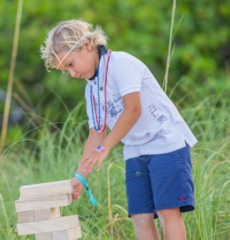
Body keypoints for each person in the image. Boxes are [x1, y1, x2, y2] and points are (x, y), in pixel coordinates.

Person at [40, 19, 197, 240]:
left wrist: (104, 148)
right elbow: (96, 134)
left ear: (86, 45)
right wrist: (80, 177)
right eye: (65, 70)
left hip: (166, 143)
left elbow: (133, 110)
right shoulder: (91, 90)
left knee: (166, 210)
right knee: (140, 216)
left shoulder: (121, 64)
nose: (71, 73)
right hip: (135, 151)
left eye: (70, 64)